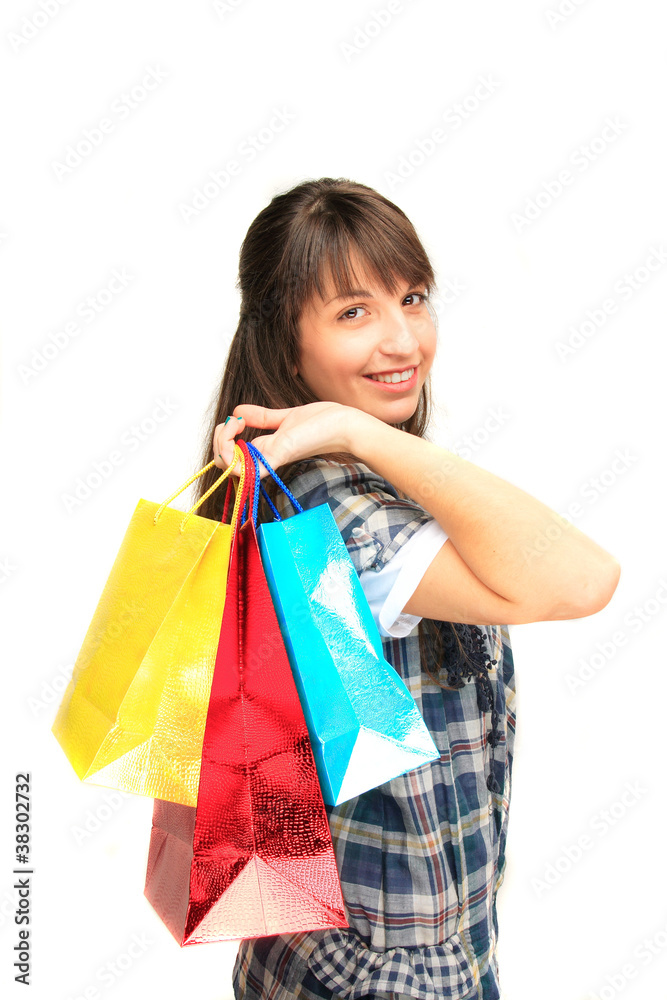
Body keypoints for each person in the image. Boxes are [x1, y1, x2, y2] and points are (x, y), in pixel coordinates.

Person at [194, 177, 620, 1000]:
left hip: (358, 948)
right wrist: (353, 428)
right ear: (288, 346)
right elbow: (582, 580)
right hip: (378, 973)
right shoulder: (332, 508)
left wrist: (368, 438)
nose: (403, 340)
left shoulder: (359, 478)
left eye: (412, 298)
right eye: (353, 312)